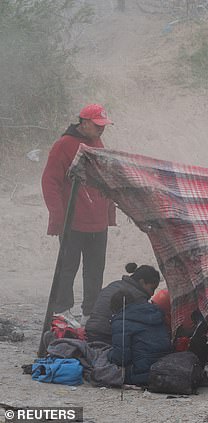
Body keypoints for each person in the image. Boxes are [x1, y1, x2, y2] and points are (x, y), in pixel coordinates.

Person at [41, 104, 116, 325]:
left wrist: (108, 212)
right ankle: (62, 310)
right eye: (97, 125)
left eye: (104, 125)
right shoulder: (63, 145)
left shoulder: (97, 143)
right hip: (72, 222)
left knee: (95, 270)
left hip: (97, 222)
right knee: (67, 268)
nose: (102, 129)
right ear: (83, 122)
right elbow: (50, 182)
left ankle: (90, 314)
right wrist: (58, 218)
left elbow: (104, 179)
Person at [108, 290, 172, 386]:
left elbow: (121, 358)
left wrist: (109, 355)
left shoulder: (121, 321)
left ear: (114, 308)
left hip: (141, 373)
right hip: (165, 366)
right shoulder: (154, 313)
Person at [85, 263, 161, 343]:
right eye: (152, 288)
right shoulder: (139, 297)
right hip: (106, 335)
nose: (152, 294)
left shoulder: (115, 284)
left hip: (90, 331)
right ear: (142, 282)